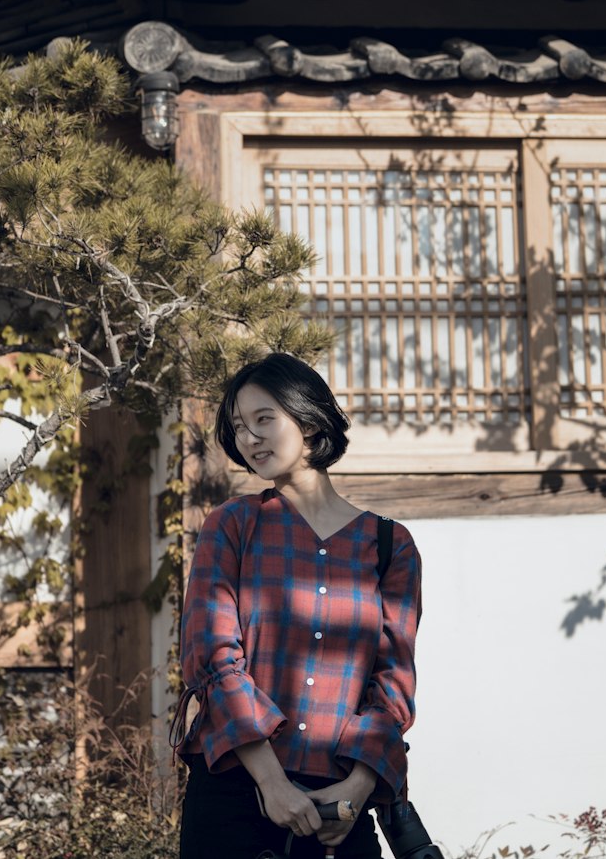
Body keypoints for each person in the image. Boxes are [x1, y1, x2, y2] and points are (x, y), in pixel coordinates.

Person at [170, 352, 422, 859]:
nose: (250, 438)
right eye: (240, 427)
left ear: (308, 421)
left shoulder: (391, 545)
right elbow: (214, 656)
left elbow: (392, 683)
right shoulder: (233, 524)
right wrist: (273, 784)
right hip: (236, 794)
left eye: (265, 419)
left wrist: (355, 790)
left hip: (340, 804)